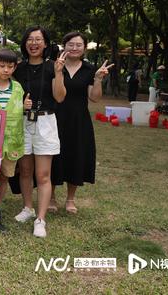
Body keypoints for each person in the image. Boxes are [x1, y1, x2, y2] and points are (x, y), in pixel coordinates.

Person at [12, 26, 66, 238]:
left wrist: (60, 73)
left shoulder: (54, 66)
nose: (33, 43)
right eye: (30, 40)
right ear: (25, 44)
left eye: (38, 40)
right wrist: (20, 104)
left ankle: (40, 219)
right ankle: (28, 208)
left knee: (43, 174)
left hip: (45, 121)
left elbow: (60, 97)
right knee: (25, 171)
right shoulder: (18, 69)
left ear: (45, 44)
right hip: (24, 121)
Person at [50, 32, 112, 215]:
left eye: (78, 45)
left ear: (84, 48)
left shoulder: (88, 69)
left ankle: (70, 199)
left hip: (79, 120)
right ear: (64, 46)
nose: (74, 48)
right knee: (54, 156)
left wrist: (98, 79)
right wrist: (58, 71)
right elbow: (57, 96)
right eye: (70, 44)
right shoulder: (56, 66)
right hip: (56, 118)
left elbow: (94, 98)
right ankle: (51, 197)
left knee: (76, 156)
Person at [0, 49, 27, 232]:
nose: (6, 70)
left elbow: (19, 109)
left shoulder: (18, 88)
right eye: (2, 66)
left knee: (4, 177)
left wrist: (25, 106)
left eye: (10, 66)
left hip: (12, 141)